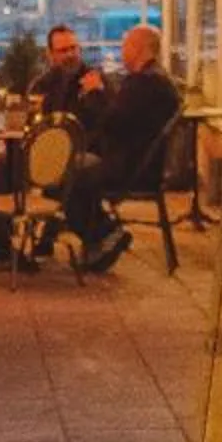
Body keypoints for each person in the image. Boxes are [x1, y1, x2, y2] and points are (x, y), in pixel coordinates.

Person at [63, 24, 181, 273]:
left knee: (66, 172)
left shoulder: (144, 83)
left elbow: (111, 122)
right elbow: (121, 116)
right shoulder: (156, 81)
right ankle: (98, 233)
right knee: (73, 166)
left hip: (129, 168)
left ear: (139, 49)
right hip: (138, 163)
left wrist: (95, 92)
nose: (121, 53)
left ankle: (103, 233)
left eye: (125, 46)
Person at [32, 23, 92, 115]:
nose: (70, 54)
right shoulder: (41, 85)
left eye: (73, 48)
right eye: (63, 51)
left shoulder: (95, 81)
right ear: (50, 54)